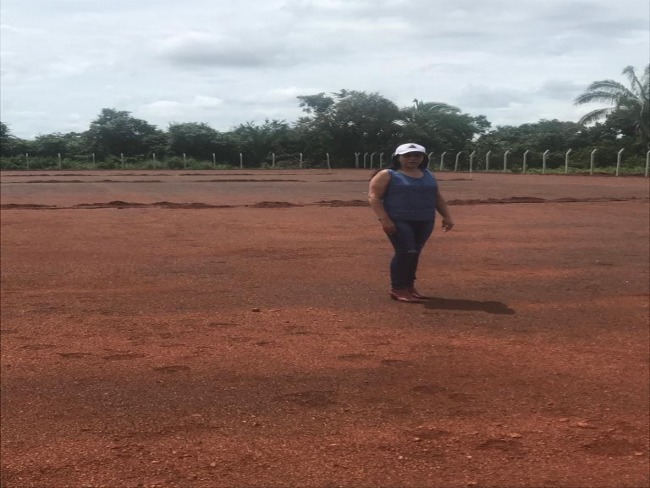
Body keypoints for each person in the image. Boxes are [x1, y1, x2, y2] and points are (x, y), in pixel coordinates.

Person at [368, 143, 454, 303]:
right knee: (405, 251)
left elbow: (437, 197)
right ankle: (398, 288)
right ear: (398, 157)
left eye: (417, 155)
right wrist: (385, 219)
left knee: (414, 252)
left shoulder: (427, 174)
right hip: (399, 219)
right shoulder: (388, 174)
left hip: (425, 219)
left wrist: (447, 216)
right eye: (407, 155)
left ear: (423, 158)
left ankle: (409, 287)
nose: (413, 159)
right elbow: (373, 197)